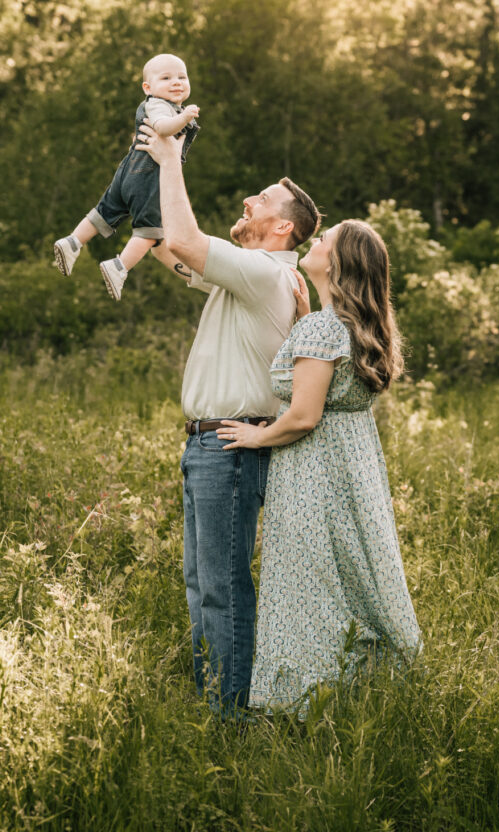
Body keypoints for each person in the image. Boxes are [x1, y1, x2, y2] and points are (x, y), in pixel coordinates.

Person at [139, 124, 321, 714]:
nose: (249, 200)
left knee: (222, 590)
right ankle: (214, 705)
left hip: (232, 446)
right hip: (207, 446)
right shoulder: (247, 273)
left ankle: (229, 719)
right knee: (202, 588)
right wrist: (146, 170)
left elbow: (189, 242)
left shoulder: (264, 271)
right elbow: (169, 245)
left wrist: (171, 159)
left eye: (262, 200)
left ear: (283, 227)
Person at [217, 219, 422, 714]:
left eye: (324, 241)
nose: (315, 241)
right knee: (352, 577)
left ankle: (304, 700)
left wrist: (256, 434)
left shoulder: (320, 328)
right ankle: (364, 692)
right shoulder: (352, 326)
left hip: (312, 471)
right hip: (354, 467)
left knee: (308, 584)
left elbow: (305, 416)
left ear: (337, 263)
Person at [53, 53, 200, 300]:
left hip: (128, 172)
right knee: (150, 229)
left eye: (182, 77)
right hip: (149, 177)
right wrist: (183, 118)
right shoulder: (158, 105)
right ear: (148, 87)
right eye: (166, 78)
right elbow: (163, 128)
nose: (176, 82)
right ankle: (119, 267)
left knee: (104, 211)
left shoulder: (164, 105)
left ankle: (73, 242)